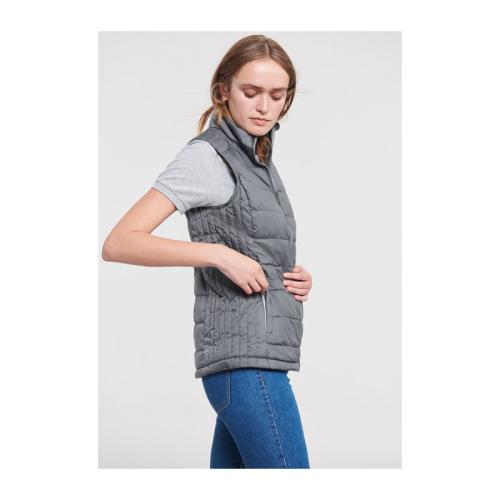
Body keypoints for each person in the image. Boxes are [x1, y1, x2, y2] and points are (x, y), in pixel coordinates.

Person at [102, 34, 313, 468]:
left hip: (261, 358)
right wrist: (218, 254)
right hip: (245, 365)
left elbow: (253, 245)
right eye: (251, 92)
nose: (264, 106)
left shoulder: (258, 160)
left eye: (277, 95)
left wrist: (290, 278)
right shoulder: (208, 158)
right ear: (223, 91)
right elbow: (120, 242)